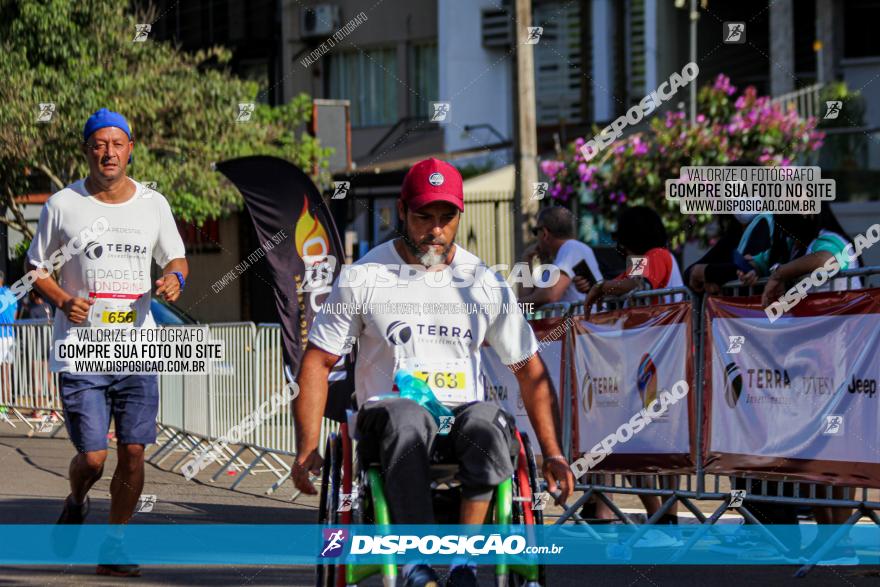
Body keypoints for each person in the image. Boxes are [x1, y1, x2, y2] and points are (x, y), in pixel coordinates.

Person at [293, 158, 574, 587]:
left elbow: (530, 372)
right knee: (407, 417)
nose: (436, 229)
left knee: (490, 421)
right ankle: (415, 565)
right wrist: (307, 445)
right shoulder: (365, 276)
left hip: (459, 419)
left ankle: (463, 562)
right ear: (402, 212)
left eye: (447, 217)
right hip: (387, 420)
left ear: (459, 216)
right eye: (424, 216)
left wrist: (553, 453)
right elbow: (318, 361)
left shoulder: (481, 281)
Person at [29, 108, 188, 577]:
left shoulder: (153, 204)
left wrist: (175, 277)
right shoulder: (63, 204)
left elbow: (176, 257)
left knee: (134, 450)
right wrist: (61, 299)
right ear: (87, 150)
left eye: (117, 143)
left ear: (130, 149)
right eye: (99, 143)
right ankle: (77, 498)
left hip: (137, 347)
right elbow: (36, 267)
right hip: (82, 349)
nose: (108, 152)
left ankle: (114, 545)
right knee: (95, 456)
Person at [740, 203, 860, 563]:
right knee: (814, 457)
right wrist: (761, 272)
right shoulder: (798, 248)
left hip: (842, 360)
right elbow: (760, 263)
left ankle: (840, 543)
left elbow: (827, 261)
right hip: (812, 367)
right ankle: (825, 539)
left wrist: (780, 274)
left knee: (836, 456)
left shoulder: (831, 240)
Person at [574, 205, 684, 524]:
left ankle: (666, 515)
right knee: (639, 442)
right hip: (647, 361)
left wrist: (601, 288)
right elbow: (624, 282)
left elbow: (637, 285)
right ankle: (662, 516)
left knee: (657, 442)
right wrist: (602, 287)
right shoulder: (645, 260)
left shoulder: (657, 256)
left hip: (661, 361)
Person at [518, 206, 603, 306]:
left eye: (536, 232)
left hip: (586, 321)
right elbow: (528, 298)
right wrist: (526, 260)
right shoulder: (561, 255)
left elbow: (551, 294)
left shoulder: (571, 248)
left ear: (545, 233)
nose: (536, 238)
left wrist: (515, 304)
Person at [16, 290, 55, 417]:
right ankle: (54, 408)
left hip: (37, 346)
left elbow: (30, 326)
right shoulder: (48, 306)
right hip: (48, 345)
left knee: (36, 377)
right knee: (49, 378)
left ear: (33, 295)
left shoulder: (33, 310)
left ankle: (37, 409)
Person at [0, 271, 17, 402]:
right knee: (6, 372)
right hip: (10, 336)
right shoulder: (10, 293)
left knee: (3, 373)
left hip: (1, 337)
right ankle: (7, 403)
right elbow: (14, 314)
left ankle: (3, 404)